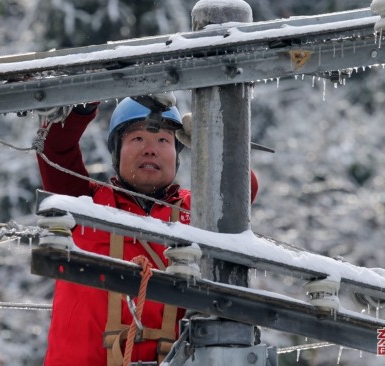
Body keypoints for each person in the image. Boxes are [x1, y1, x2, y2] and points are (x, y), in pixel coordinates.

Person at [36, 93, 259, 365]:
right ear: (117, 155)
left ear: (178, 155)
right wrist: (89, 94)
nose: (150, 149)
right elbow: (55, 150)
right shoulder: (85, 203)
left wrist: (208, 140)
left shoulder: (196, 210)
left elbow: (240, 190)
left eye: (163, 140)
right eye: (137, 138)